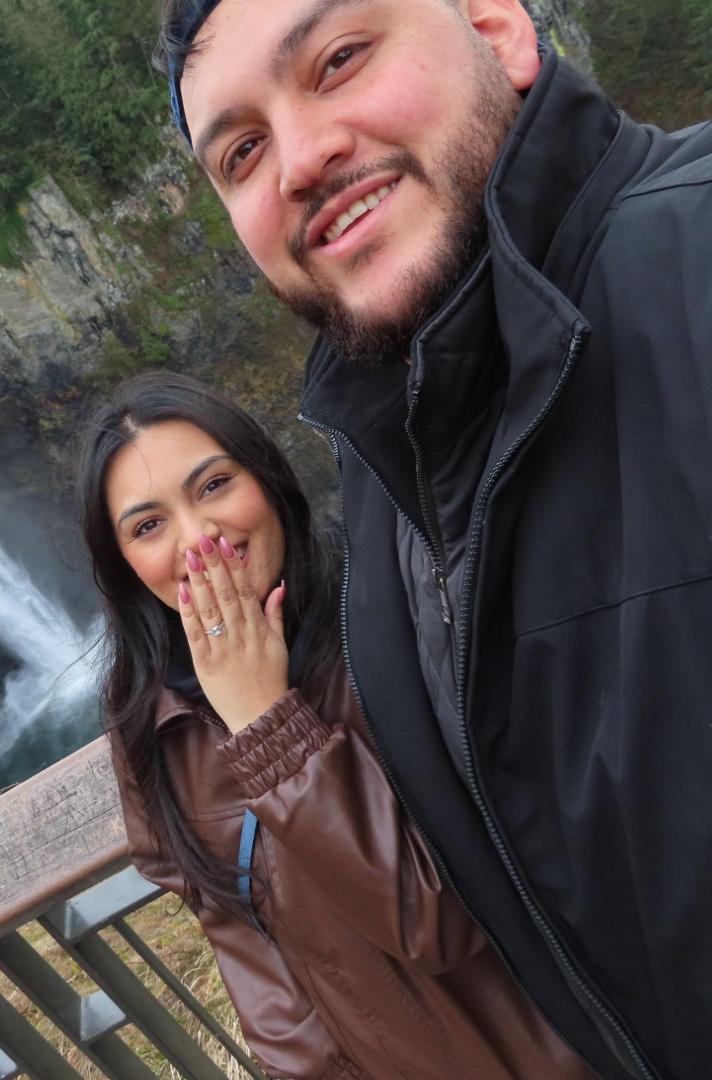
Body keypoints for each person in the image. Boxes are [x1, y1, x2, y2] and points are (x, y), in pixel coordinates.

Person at [153, 1, 712, 1078]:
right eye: (242, 153)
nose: (300, 161)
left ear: (497, 30)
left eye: (339, 59)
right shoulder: (386, 495)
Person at [77, 371, 593, 1079]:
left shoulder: (402, 611)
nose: (198, 540)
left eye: (214, 485)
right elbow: (256, 959)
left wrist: (269, 726)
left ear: (266, 477)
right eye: (148, 525)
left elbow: (438, 919)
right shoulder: (155, 725)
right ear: (123, 565)